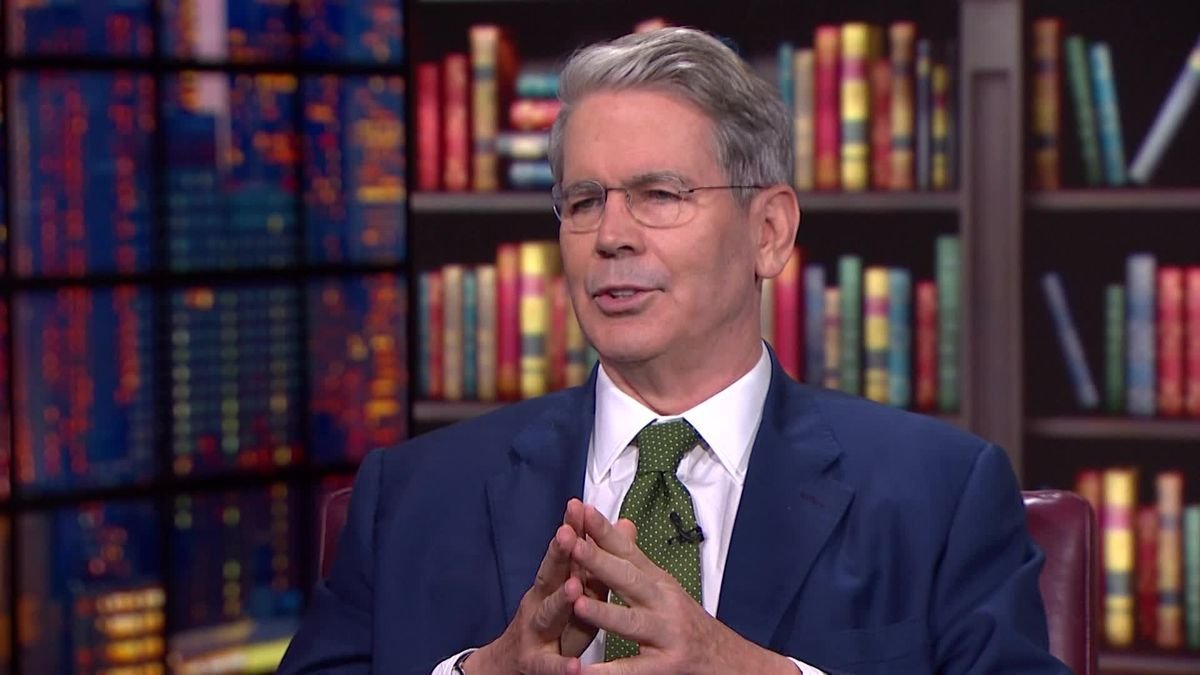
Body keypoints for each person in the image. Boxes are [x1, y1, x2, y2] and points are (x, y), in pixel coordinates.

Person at [278, 27, 1069, 675]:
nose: (612, 235)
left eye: (659, 194)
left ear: (770, 232)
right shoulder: (409, 498)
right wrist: (480, 673)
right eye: (584, 200)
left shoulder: (939, 497)